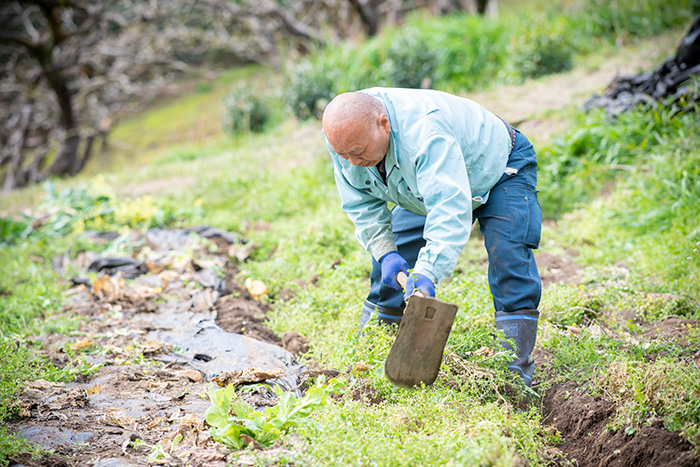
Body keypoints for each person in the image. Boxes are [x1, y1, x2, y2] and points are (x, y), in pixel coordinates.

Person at [321, 87, 542, 387]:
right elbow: (360, 204)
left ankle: (513, 376)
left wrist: (428, 273)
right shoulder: (345, 137)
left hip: (498, 168)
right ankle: (372, 352)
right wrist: (386, 252)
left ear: (383, 124)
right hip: (423, 185)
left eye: (357, 153)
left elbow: (449, 209)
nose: (350, 162)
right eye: (342, 154)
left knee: (509, 258)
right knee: (388, 262)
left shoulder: (424, 134)